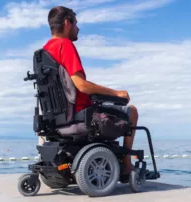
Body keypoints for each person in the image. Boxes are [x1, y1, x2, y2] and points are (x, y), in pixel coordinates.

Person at [42, 6, 138, 176]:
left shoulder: (44, 52)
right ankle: (126, 165)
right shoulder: (65, 45)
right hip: (80, 114)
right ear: (67, 23)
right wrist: (115, 93)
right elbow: (81, 85)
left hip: (56, 119)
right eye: (76, 23)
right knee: (131, 112)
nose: (78, 28)